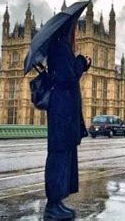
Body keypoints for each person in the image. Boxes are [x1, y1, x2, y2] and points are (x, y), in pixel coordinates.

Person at [44, 21, 92, 219]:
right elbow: (67, 77)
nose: (77, 32)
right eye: (75, 29)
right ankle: (52, 205)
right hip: (62, 114)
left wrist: (79, 64)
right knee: (59, 158)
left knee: (64, 158)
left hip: (65, 113)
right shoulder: (59, 48)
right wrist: (81, 62)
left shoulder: (60, 48)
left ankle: (57, 201)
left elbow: (68, 76)